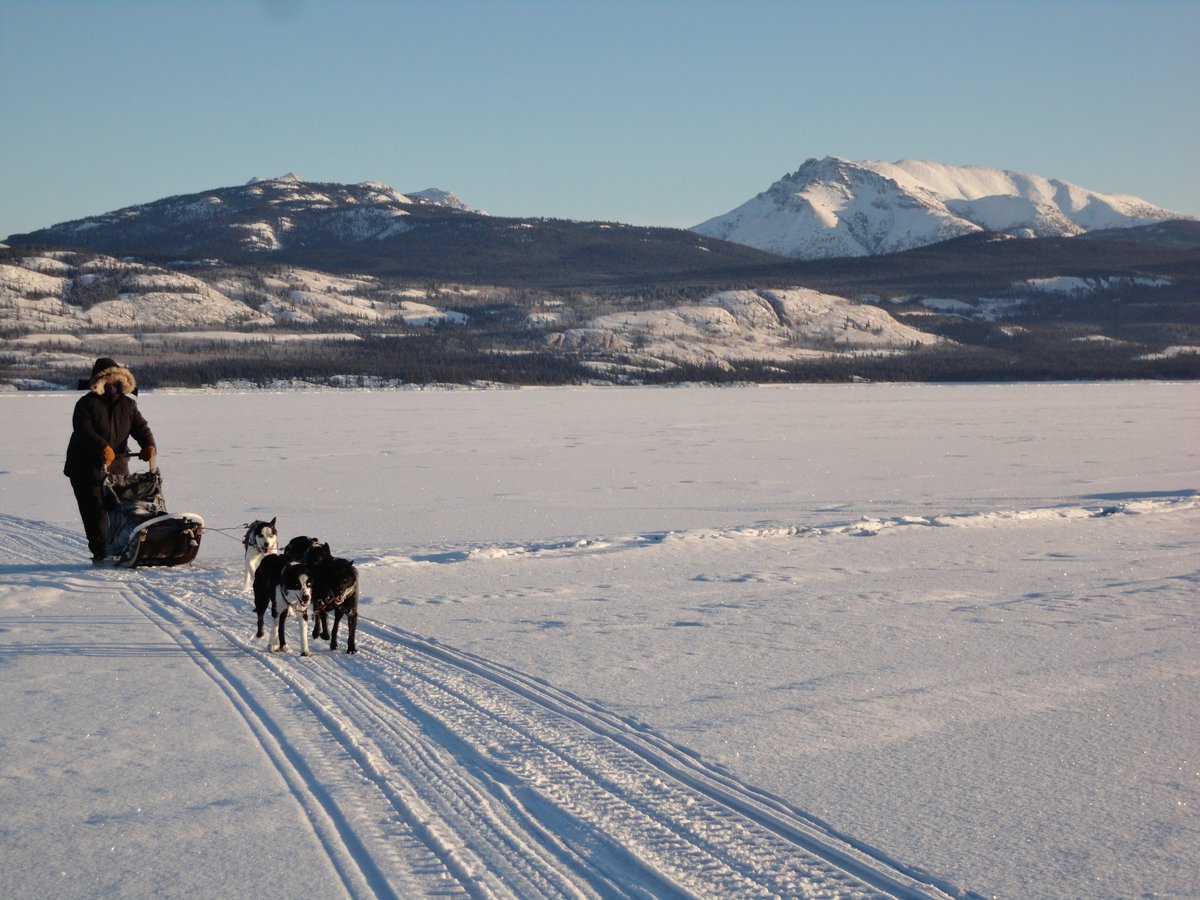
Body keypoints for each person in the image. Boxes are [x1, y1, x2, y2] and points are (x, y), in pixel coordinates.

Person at [63, 358, 157, 563]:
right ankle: (100, 551)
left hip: (118, 463)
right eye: (108, 382)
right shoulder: (86, 404)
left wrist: (148, 445)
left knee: (122, 506)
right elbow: (82, 430)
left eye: (116, 382)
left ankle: (123, 546)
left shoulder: (128, 404)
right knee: (95, 510)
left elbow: (140, 427)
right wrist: (102, 447)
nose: (112, 386)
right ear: (98, 382)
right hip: (85, 466)